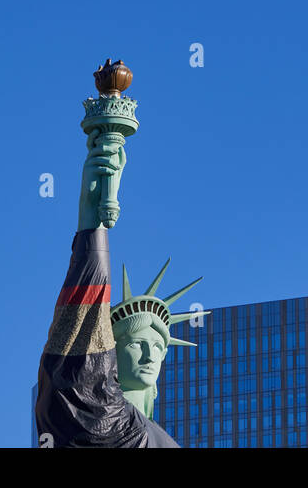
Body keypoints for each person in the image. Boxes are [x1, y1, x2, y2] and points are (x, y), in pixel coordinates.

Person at [35, 129, 205, 447]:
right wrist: (91, 222)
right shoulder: (101, 416)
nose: (148, 355)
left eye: (156, 347)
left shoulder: (160, 439)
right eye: (136, 344)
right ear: (110, 351)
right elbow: (76, 375)